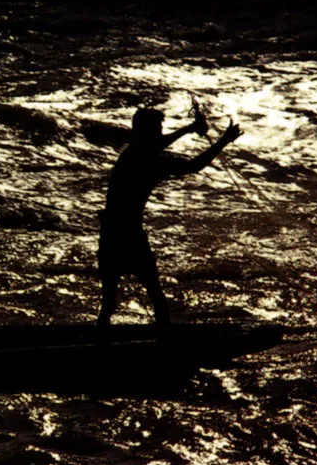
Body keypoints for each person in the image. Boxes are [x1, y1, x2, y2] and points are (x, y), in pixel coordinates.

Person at [97, 107, 243, 327]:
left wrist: (190, 128)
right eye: (157, 128)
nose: (160, 133)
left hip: (109, 233)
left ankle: (102, 344)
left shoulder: (131, 151)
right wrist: (223, 141)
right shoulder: (150, 160)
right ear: (148, 132)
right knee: (155, 295)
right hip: (129, 236)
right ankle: (165, 342)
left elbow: (157, 144)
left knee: (108, 302)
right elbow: (192, 166)